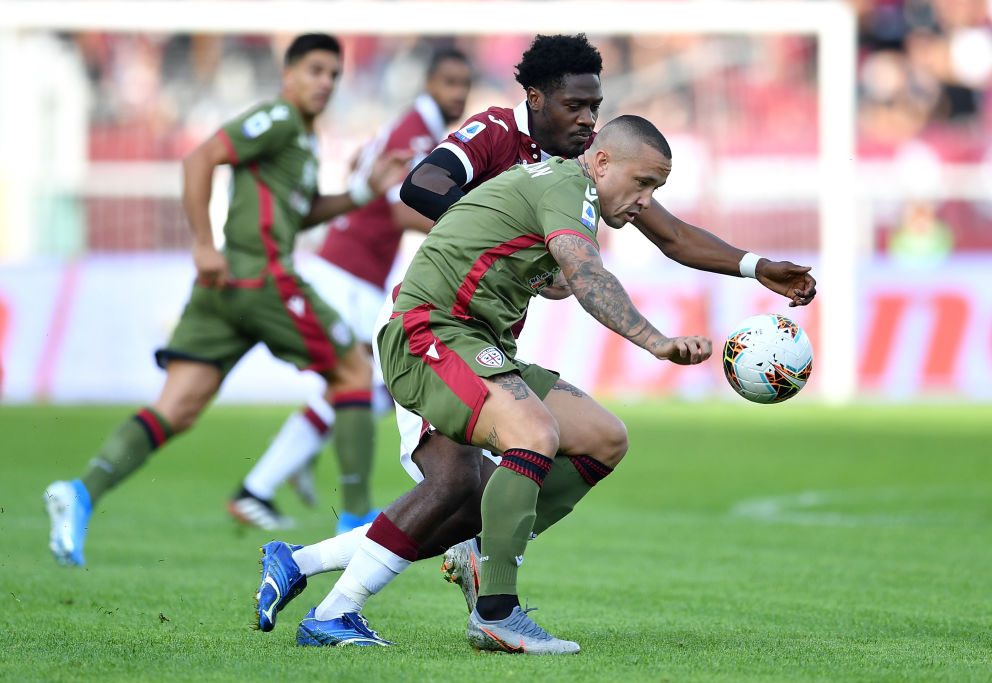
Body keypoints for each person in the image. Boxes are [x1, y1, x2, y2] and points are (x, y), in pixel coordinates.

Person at [251, 33, 816, 650]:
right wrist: (512, 232)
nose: (586, 118)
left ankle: (321, 564)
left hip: (489, 342)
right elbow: (424, 187)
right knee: (461, 484)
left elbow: (672, 234)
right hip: (436, 330)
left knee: (588, 444)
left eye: (594, 107)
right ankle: (420, 607)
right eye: (574, 106)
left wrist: (755, 266)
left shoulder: (589, 177)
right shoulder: (507, 141)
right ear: (536, 98)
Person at [43, 34, 407, 568]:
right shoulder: (278, 119)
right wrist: (201, 243)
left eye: (334, 74)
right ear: (288, 75)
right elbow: (199, 158)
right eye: (315, 70)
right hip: (261, 277)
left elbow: (296, 213)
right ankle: (356, 524)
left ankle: (79, 492)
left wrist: (360, 192)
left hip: (224, 290)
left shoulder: (302, 141)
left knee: (178, 407)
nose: (325, 83)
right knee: (354, 370)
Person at [227, 48, 473, 533]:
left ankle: (285, 464)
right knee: (372, 384)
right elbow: (405, 209)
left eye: (464, 84)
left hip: (354, 271)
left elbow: (365, 166)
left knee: (364, 386)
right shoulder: (416, 131)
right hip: (347, 274)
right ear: (427, 83)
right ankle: (266, 484)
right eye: (449, 82)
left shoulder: (413, 129)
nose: (458, 94)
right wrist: (473, 234)